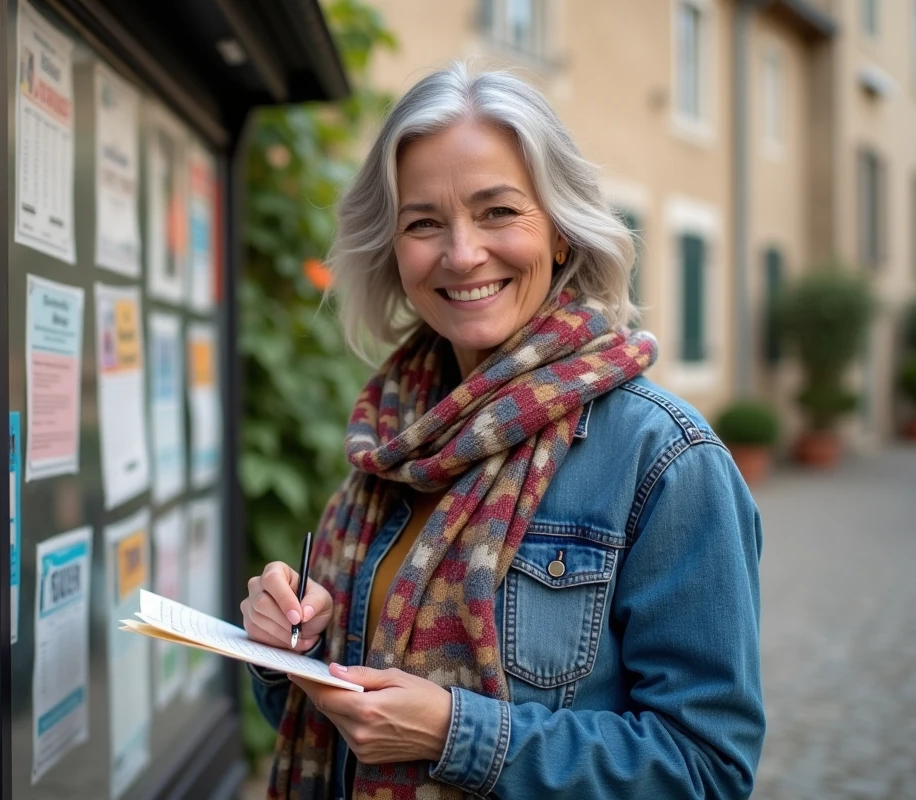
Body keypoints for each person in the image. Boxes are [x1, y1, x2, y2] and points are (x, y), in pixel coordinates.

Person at [242, 63, 765, 799]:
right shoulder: (392, 443)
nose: (461, 254)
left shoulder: (664, 460)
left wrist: (455, 733)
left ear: (558, 231)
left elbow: (706, 770)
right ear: (394, 251)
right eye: (424, 222)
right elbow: (317, 727)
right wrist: (287, 651)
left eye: (497, 212)